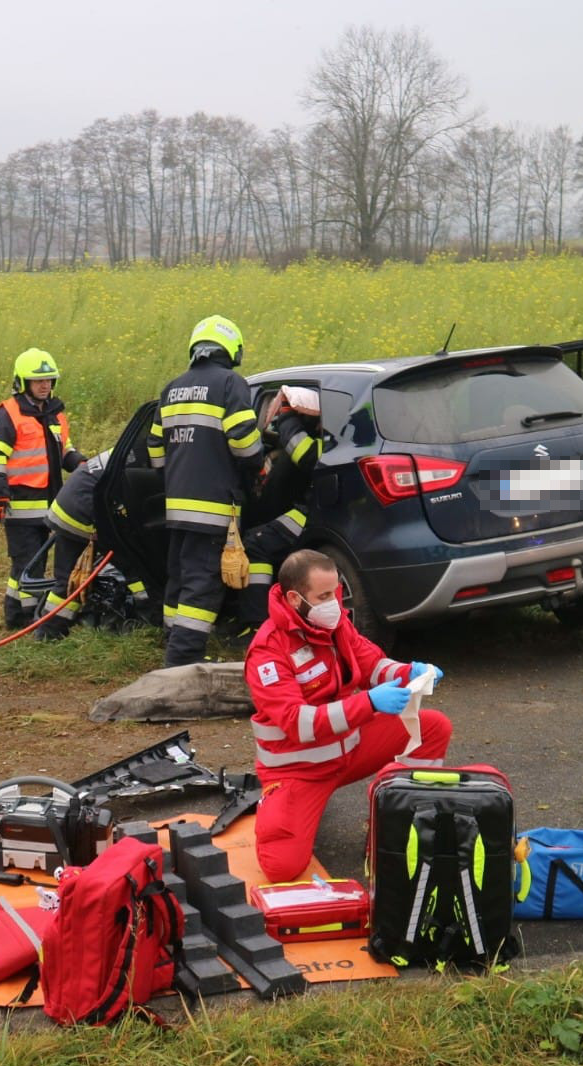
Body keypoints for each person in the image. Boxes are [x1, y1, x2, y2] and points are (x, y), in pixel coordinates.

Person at [245, 548, 451, 883]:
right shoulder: (268, 651)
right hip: (301, 772)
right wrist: (368, 703)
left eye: (336, 592)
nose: (335, 604)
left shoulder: (334, 622)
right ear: (295, 598)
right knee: (280, 867)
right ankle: (278, 806)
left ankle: (394, 824)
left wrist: (410, 671)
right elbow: (299, 723)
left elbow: (373, 665)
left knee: (432, 728)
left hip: (350, 750)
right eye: (324, 596)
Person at [148, 315, 263, 666]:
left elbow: (155, 453)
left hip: (177, 507)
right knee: (202, 586)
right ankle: (182, 661)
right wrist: (260, 462)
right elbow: (244, 444)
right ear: (231, 350)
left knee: (180, 578)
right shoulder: (230, 383)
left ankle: (172, 640)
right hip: (212, 508)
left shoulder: (172, 388)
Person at [0, 348, 85, 629]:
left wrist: (79, 463)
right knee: (27, 565)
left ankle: (19, 616)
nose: (45, 385)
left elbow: (64, 450)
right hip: (19, 506)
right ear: (22, 382)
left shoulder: (55, 413)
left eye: (49, 380)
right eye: (38, 380)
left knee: (31, 565)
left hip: (50, 506)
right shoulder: (9, 414)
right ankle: (27, 619)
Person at [32, 451, 152, 641]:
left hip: (66, 507)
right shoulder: (143, 460)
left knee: (67, 580)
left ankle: (49, 633)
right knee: (133, 566)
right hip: (83, 510)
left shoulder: (130, 449)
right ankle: (150, 617)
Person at [239, 384, 323, 635]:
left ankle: (256, 624)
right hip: (313, 509)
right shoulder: (336, 435)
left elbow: (305, 455)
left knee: (256, 544)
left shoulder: (325, 442)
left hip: (312, 513)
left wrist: (286, 417)